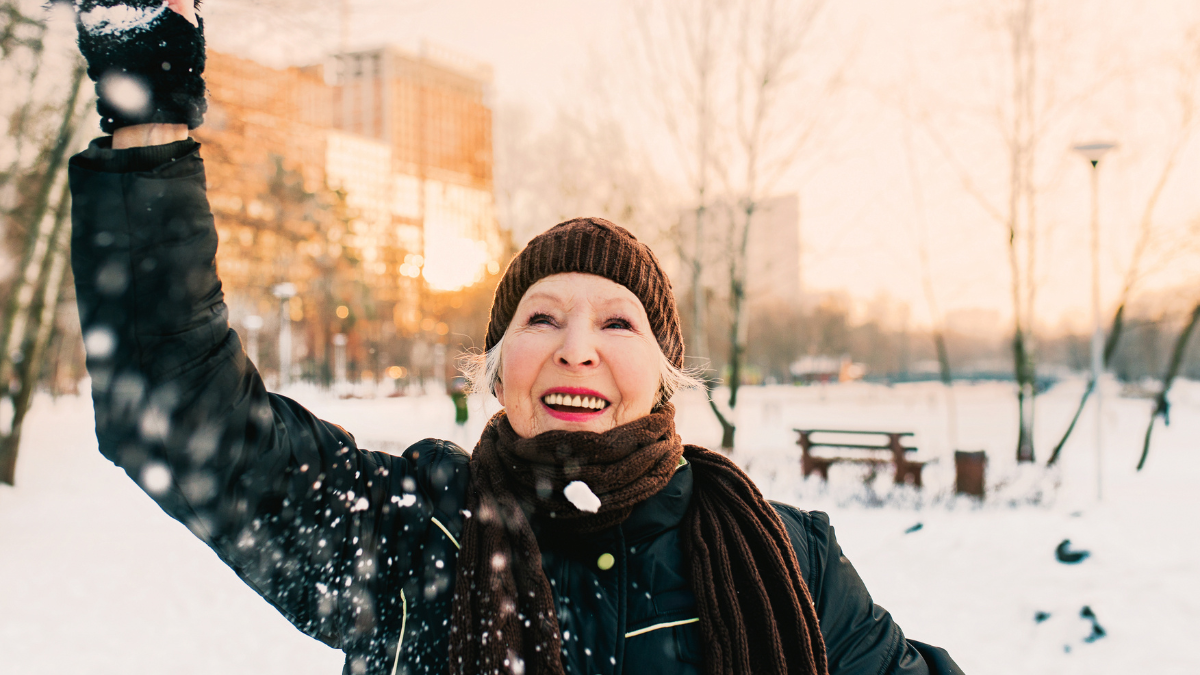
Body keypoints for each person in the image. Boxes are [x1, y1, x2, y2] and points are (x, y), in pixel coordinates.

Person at [67, 2, 965, 674]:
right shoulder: (419, 536)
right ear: (499, 378)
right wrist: (150, 107)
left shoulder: (789, 559)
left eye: (619, 322)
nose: (578, 346)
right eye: (542, 318)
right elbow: (174, 411)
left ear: (663, 379)